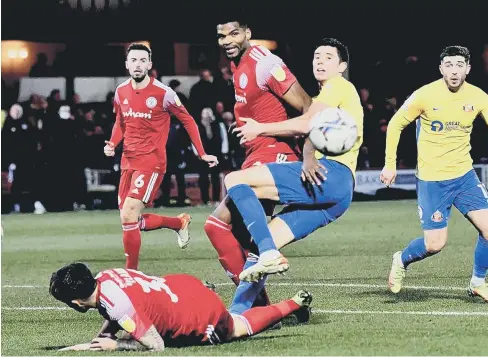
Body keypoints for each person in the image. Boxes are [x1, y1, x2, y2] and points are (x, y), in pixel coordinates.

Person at [381, 46, 488, 304]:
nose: (454, 70)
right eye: (449, 65)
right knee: (434, 245)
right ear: (441, 68)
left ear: (468, 69)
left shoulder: (478, 96)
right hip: (433, 180)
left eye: (459, 65)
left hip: (464, 176)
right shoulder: (425, 95)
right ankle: (401, 259)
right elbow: (396, 123)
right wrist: (390, 164)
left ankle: (477, 283)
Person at [228, 37, 363, 286]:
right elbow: (313, 129)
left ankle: (269, 252)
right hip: (339, 193)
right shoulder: (327, 97)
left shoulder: (338, 86)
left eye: (328, 57)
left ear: (342, 66)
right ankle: (240, 316)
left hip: (329, 175)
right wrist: (308, 155)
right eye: (316, 56)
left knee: (234, 179)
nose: (320, 61)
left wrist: (260, 129)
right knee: (258, 249)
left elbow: (306, 123)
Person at [204, 14, 312, 314]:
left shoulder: (265, 62)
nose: (227, 41)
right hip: (257, 154)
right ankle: (264, 308)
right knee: (233, 235)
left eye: (233, 34)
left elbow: (308, 108)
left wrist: (309, 155)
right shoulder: (236, 67)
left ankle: (251, 309)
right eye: (221, 36)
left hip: (276, 155)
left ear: (248, 32)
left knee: (217, 227)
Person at [105, 43, 218, 270]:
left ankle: (131, 274)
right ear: (127, 65)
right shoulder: (120, 92)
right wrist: (112, 143)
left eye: (142, 60)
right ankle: (178, 223)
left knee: (128, 214)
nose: (137, 65)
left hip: (151, 162)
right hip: (128, 161)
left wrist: (202, 152)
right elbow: (120, 122)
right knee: (130, 220)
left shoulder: (163, 93)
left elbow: (188, 120)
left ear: (149, 64)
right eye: (133, 60)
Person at [49, 263, 312, 352]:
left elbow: (156, 345)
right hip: (183, 287)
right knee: (234, 315)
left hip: (198, 313)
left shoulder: (117, 305)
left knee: (236, 327)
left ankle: (294, 303)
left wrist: (115, 345)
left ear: (75, 302)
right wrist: (106, 333)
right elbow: (116, 307)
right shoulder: (106, 276)